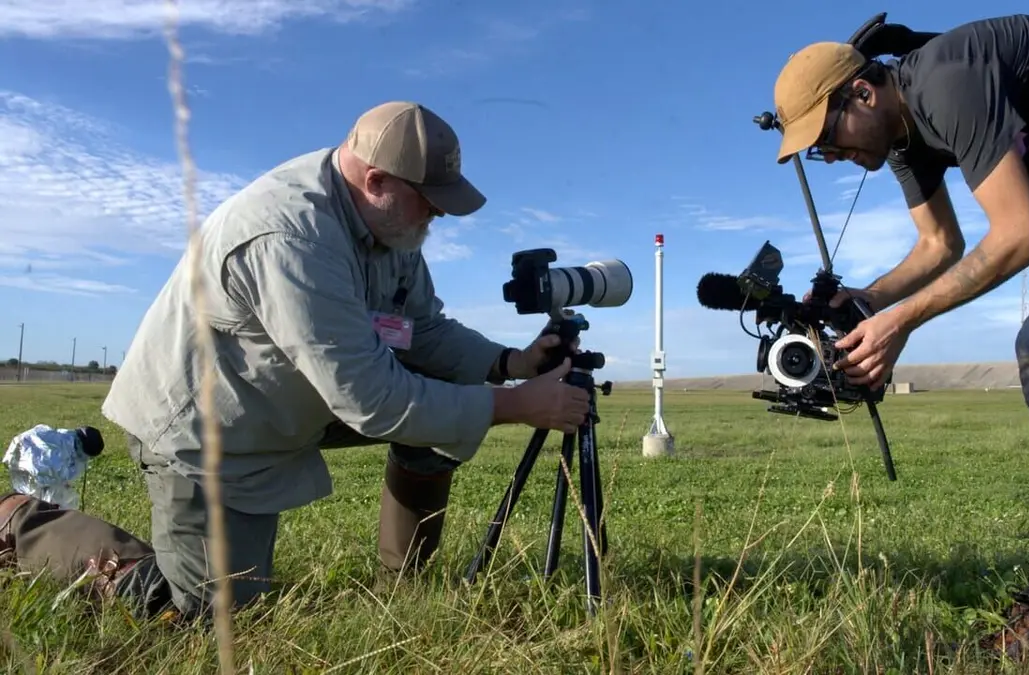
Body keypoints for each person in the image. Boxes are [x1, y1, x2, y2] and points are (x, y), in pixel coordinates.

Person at [1, 101, 592, 621]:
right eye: (428, 203)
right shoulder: (293, 235)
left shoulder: (389, 227)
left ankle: (402, 582)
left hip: (291, 400)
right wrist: (515, 405)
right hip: (207, 429)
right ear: (378, 179)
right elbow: (371, 398)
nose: (435, 218)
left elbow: (421, 329)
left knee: (445, 389)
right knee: (204, 616)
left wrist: (510, 361)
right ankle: (20, 520)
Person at [771, 13, 1029, 661]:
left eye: (827, 136)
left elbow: (1019, 234)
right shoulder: (900, 135)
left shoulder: (944, 82)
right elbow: (939, 244)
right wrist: (867, 299)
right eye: (817, 152)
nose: (832, 156)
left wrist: (902, 321)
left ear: (862, 93)